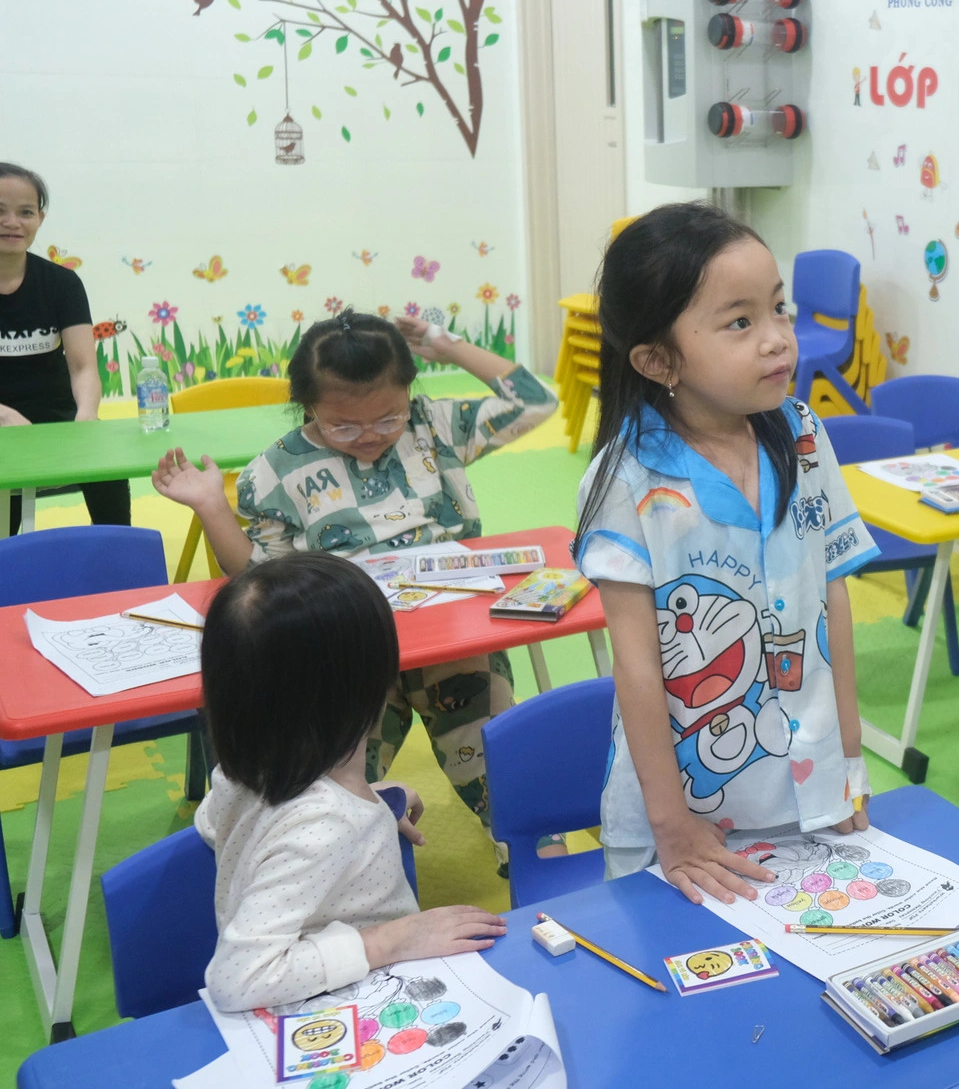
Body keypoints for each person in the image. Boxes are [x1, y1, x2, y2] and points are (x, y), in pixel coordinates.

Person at [152, 310, 555, 861]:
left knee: (497, 756)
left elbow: (535, 402)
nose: (369, 436)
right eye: (343, 425)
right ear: (307, 405)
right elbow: (255, 578)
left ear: (410, 394)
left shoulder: (434, 426)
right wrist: (211, 506)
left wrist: (448, 345)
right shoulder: (272, 473)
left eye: (388, 418)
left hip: (454, 642)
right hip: (349, 653)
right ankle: (345, 864)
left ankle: (533, 849)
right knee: (328, 787)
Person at [574, 203, 878, 900]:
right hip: (685, 816)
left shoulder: (802, 433)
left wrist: (850, 760)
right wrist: (671, 823)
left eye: (780, 309)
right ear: (656, 359)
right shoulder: (627, 481)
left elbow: (834, 600)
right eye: (740, 322)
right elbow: (637, 667)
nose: (778, 340)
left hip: (807, 788)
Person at [196, 553, 506, 1012]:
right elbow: (235, 979)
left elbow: (218, 825)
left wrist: (370, 805)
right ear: (371, 681)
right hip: (353, 1010)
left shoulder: (245, 770)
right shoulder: (322, 824)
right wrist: (391, 940)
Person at [0, 162, 131, 535]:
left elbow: (83, 367)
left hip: (56, 423)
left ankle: (118, 570)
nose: (12, 222)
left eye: (25, 212)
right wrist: (5, 416)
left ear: (39, 218)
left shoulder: (62, 283)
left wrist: (86, 417)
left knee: (108, 471)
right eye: (0, 211)